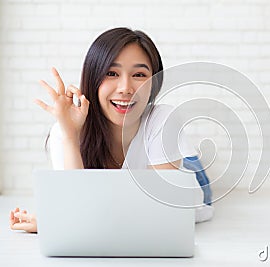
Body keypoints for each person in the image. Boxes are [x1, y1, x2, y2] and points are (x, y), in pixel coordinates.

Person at [9, 27, 213, 233]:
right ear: (93, 79)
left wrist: (55, 220)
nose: (125, 88)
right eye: (112, 73)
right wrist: (71, 136)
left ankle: (182, 151)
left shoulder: (163, 118)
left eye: (139, 74)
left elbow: (156, 212)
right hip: (156, 160)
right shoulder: (63, 131)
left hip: (188, 175)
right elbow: (74, 205)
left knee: (187, 164)